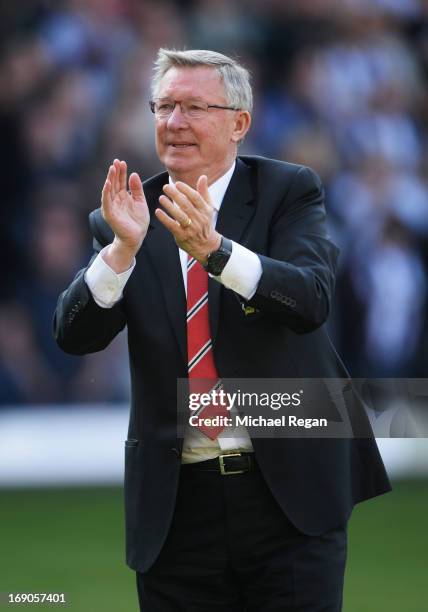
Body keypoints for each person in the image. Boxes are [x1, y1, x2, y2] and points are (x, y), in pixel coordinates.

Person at [54, 48, 391, 611]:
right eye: (163, 107)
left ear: (239, 123)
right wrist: (120, 251)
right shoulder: (129, 214)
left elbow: (310, 299)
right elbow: (73, 336)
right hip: (176, 506)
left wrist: (215, 251)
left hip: (287, 494)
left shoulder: (288, 191)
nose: (174, 123)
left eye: (193, 107)